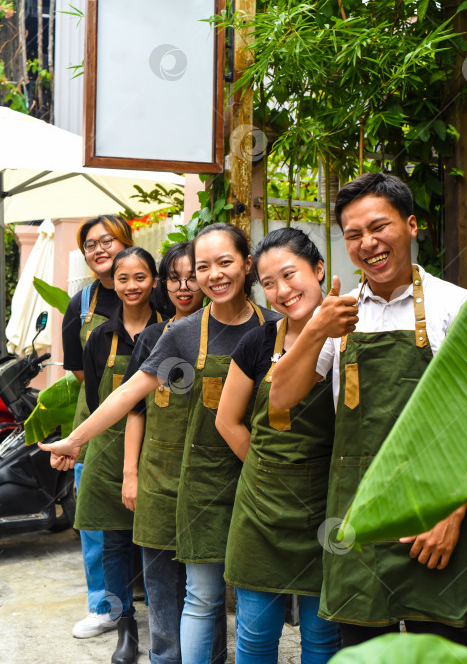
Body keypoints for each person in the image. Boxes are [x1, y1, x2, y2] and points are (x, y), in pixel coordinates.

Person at [40, 223, 280, 664]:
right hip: (203, 483)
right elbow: (130, 394)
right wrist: (76, 438)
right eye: (203, 266)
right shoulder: (183, 335)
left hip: (261, 480)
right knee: (203, 597)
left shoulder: (278, 328)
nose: (213, 275)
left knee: (255, 600)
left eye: (225, 263)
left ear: (247, 264)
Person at [269, 173, 467, 647]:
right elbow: (281, 397)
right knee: (361, 649)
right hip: (358, 516)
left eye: (379, 227)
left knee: (437, 648)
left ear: (412, 225)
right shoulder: (339, 314)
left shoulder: (452, 306)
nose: (368, 244)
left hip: (433, 522)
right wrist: (318, 330)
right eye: (353, 235)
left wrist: (453, 516)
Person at [216, 228, 342, 664]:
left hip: (329, 508)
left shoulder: (352, 336)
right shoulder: (258, 341)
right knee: (254, 637)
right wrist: (269, 473)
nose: (281, 291)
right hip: (261, 514)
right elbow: (227, 420)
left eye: (289, 275)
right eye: (268, 284)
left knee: (324, 638)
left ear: (319, 269)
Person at [74, 246, 161, 664]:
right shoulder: (99, 338)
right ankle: (124, 623)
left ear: (154, 281)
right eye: (123, 278)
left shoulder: (171, 330)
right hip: (110, 451)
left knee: (157, 543)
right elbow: (95, 399)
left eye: (140, 277)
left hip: (160, 449)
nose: (131, 286)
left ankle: (164, 621)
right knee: (113, 542)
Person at [121, 242, 205, 664]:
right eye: (174, 277)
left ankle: (205, 656)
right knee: (158, 577)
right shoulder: (155, 336)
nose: (184, 285)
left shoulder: (235, 333)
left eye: (193, 275)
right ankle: (165, 656)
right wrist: (130, 475)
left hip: (207, 475)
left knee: (204, 579)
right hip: (156, 475)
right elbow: (135, 409)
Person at [62, 215, 134, 639]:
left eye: (108, 240)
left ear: (127, 241)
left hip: (154, 422)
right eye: (91, 244)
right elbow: (81, 374)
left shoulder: (155, 291)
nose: (100, 249)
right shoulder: (81, 302)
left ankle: (153, 604)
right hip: (94, 423)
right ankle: (104, 607)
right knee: (93, 522)